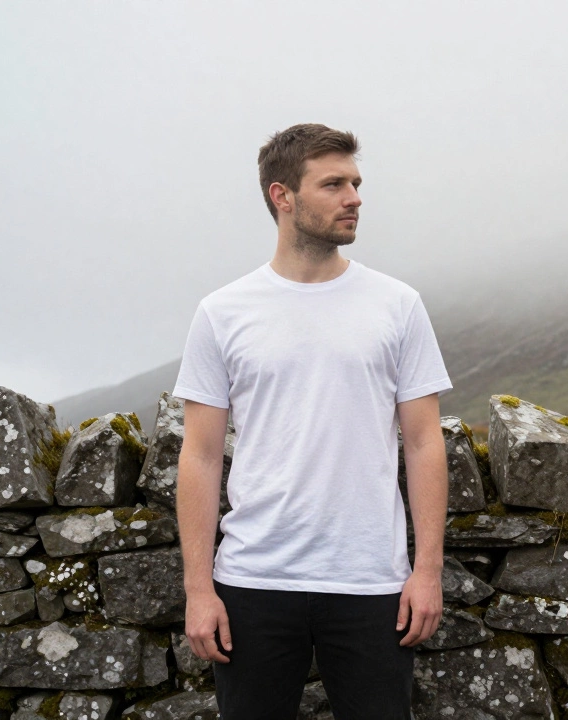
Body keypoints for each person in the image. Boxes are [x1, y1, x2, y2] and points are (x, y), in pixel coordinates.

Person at [174, 123, 452, 720]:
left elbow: (425, 443)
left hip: (372, 582)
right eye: (334, 184)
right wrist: (200, 589)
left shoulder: (397, 304)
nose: (354, 196)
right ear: (283, 196)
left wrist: (426, 570)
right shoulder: (222, 313)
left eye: (355, 182)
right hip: (253, 580)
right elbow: (198, 456)